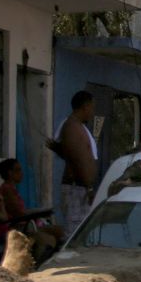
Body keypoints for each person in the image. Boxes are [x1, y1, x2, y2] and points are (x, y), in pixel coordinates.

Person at [48, 90, 98, 234]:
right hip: (76, 188)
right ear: (85, 106)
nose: (92, 112)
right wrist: (88, 187)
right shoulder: (72, 127)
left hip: (81, 188)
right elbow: (77, 159)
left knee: (84, 230)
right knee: (75, 233)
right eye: (92, 108)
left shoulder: (79, 127)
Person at [0, 158, 63, 254]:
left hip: (24, 224)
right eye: (18, 170)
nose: (21, 173)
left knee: (59, 231)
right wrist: (37, 213)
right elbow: (18, 213)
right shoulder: (7, 190)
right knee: (52, 237)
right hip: (18, 227)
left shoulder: (12, 189)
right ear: (10, 173)